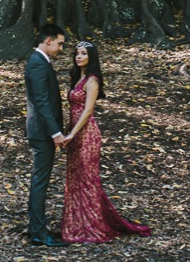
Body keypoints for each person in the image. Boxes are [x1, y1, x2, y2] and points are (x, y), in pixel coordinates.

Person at [61, 41, 151, 243]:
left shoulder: (92, 80)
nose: (79, 57)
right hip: (74, 135)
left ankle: (92, 227)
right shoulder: (78, 78)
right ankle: (75, 225)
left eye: (84, 54)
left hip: (87, 135)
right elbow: (73, 112)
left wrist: (72, 133)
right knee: (75, 180)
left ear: (91, 57)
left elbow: (87, 112)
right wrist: (66, 133)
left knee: (87, 181)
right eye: (77, 54)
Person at [24, 23, 69, 248]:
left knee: (39, 180)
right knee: (40, 182)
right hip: (42, 133)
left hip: (41, 131)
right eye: (60, 43)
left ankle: (36, 227)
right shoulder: (38, 64)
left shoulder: (41, 62)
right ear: (48, 40)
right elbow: (42, 102)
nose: (62, 48)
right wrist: (56, 133)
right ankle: (39, 233)